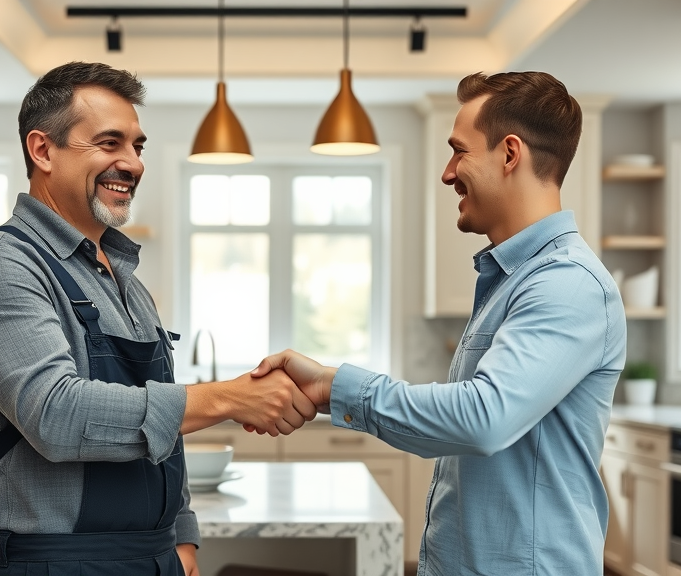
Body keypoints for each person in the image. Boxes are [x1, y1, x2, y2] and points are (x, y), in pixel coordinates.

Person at [0, 61, 316, 576]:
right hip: (50, 566)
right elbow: (57, 415)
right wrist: (228, 397)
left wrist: (181, 537)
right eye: (109, 143)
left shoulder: (124, 280)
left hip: (151, 560)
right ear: (42, 150)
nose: (132, 164)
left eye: (137, 147)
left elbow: (161, 432)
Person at [251, 71, 626, 575]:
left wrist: (333, 385)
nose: (448, 173)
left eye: (459, 151)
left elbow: (483, 417)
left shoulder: (567, 284)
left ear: (510, 154)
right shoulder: (513, 279)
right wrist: (325, 387)